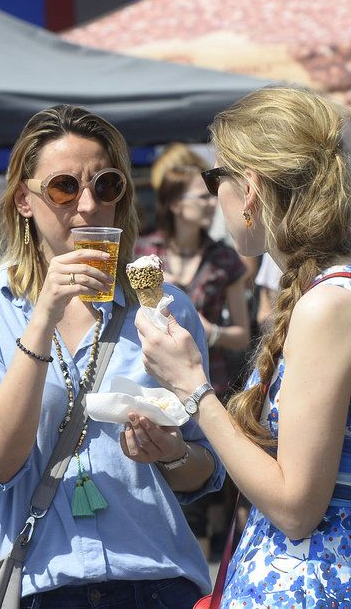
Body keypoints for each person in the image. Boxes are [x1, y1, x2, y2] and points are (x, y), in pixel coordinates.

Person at [136, 86, 351, 607]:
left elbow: (294, 507)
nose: (213, 193)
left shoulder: (327, 305)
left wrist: (195, 387)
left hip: (310, 589)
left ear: (251, 189)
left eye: (216, 177)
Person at [0, 104, 224, 608]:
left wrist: (172, 453)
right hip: (33, 586)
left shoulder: (165, 306)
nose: (88, 206)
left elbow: (206, 469)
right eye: (64, 187)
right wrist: (43, 316)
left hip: (154, 583)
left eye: (106, 186)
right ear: (24, 201)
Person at [135, 164, 250, 559]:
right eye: (198, 196)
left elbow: (243, 332)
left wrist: (208, 331)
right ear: (172, 204)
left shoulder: (224, 258)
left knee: (203, 504)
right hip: (150, 390)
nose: (209, 203)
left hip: (209, 388)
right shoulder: (141, 254)